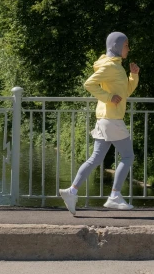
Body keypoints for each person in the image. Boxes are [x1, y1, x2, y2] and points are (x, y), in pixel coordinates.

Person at [59, 32, 139, 214]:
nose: (128, 48)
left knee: (95, 158)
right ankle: (114, 195)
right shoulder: (111, 67)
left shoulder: (117, 67)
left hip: (106, 119)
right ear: (117, 46)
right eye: (126, 45)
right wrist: (109, 97)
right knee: (128, 157)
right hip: (112, 119)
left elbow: (125, 92)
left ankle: (71, 191)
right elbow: (89, 84)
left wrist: (133, 76)